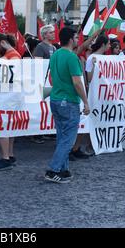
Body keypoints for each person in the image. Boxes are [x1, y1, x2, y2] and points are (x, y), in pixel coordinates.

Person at [45, 27, 90, 183]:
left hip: (55, 99)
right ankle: (53, 170)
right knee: (68, 140)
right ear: (71, 39)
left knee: (62, 136)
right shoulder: (72, 57)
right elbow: (77, 82)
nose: (78, 40)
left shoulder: (55, 54)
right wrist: (85, 101)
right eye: (76, 37)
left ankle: (63, 169)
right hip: (68, 100)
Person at [0, 33, 21, 171]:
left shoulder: (12, 56)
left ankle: (5, 158)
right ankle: (10, 154)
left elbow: (10, 76)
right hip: (10, 96)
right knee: (9, 126)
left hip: (8, 96)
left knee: (2, 126)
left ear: (2, 42)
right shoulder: (12, 54)